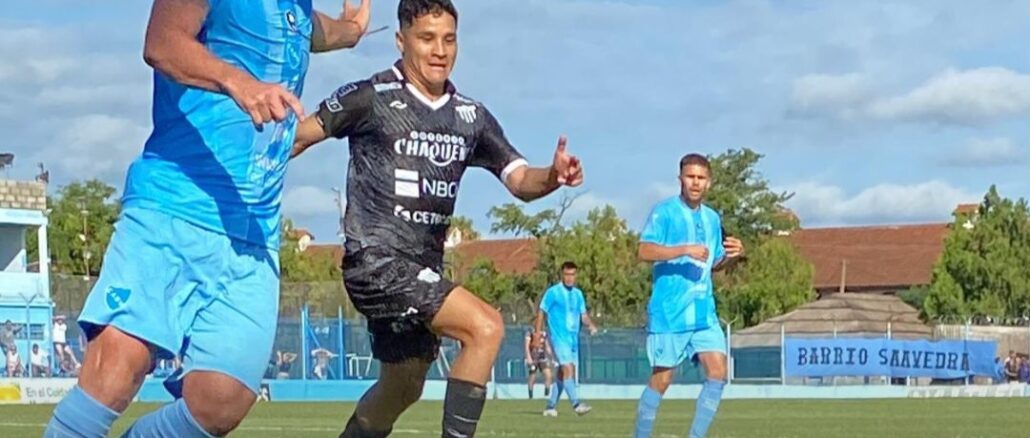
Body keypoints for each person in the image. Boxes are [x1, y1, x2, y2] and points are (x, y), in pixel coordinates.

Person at [44, 1, 373, 436]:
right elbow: (162, 43)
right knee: (118, 368)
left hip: (253, 235)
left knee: (221, 401)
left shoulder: (297, 7)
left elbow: (314, 30)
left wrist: (351, 31)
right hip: (172, 209)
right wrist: (239, 83)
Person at [290, 1, 584, 435]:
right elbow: (296, 138)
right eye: (427, 38)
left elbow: (521, 180)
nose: (440, 50)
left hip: (422, 270)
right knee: (485, 327)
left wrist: (553, 176)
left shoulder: (471, 116)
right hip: (376, 262)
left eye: (449, 39)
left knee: (403, 387)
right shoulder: (369, 97)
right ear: (401, 40)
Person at [632, 153, 745, 438]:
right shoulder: (665, 212)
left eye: (701, 178)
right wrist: (683, 249)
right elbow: (643, 251)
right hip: (670, 311)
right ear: (680, 179)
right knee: (662, 379)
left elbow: (714, 264)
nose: (695, 183)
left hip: (704, 312)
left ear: (709, 182)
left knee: (718, 372)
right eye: (690, 176)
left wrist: (732, 257)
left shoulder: (712, 218)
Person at [534, 261, 598, 417]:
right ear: (562, 275)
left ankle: (550, 406)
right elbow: (542, 311)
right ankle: (576, 404)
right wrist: (538, 334)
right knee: (567, 368)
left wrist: (591, 325)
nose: (569, 278)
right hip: (558, 338)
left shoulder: (578, 294)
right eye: (567, 274)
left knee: (564, 374)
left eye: (572, 274)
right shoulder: (553, 292)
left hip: (572, 340)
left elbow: (583, 315)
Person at [524, 328, 554, 399]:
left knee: (548, 374)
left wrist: (551, 356)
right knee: (532, 376)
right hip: (533, 357)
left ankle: (546, 394)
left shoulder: (543, 333)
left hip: (542, 357)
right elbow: (526, 347)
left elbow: (547, 346)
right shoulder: (530, 332)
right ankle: (530, 395)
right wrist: (528, 357)